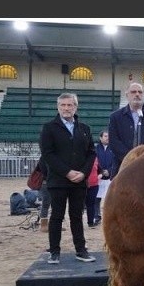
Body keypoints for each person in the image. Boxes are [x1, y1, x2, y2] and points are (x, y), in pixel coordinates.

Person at [39, 92, 97, 264]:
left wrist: (83, 173)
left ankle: (81, 250)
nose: (66, 108)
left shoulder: (85, 128)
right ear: (58, 107)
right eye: (63, 105)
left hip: (79, 182)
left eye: (69, 105)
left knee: (77, 216)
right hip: (58, 181)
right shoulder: (49, 128)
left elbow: (91, 153)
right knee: (57, 216)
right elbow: (48, 154)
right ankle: (54, 252)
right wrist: (67, 172)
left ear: (75, 107)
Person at [108, 82, 144, 178]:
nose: (137, 94)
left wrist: (141, 159)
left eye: (140, 92)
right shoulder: (115, 117)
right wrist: (131, 158)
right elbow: (114, 142)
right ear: (127, 95)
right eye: (133, 92)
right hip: (122, 168)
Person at [94, 130, 114, 226]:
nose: (107, 138)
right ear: (100, 138)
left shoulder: (114, 148)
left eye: (109, 136)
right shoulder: (95, 149)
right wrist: (101, 172)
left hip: (111, 177)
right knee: (96, 199)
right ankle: (96, 217)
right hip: (99, 177)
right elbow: (94, 162)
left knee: (110, 199)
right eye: (105, 136)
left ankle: (110, 218)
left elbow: (116, 162)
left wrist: (109, 171)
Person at [36, 156, 51, 233]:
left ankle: (51, 224)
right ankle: (44, 225)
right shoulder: (45, 158)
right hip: (47, 183)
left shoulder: (43, 157)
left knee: (50, 205)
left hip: (48, 182)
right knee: (46, 204)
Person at [85, 157, 100, 228]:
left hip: (94, 185)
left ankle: (90, 222)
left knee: (91, 204)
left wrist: (101, 175)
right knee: (79, 205)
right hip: (82, 185)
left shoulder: (95, 159)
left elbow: (100, 169)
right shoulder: (80, 157)